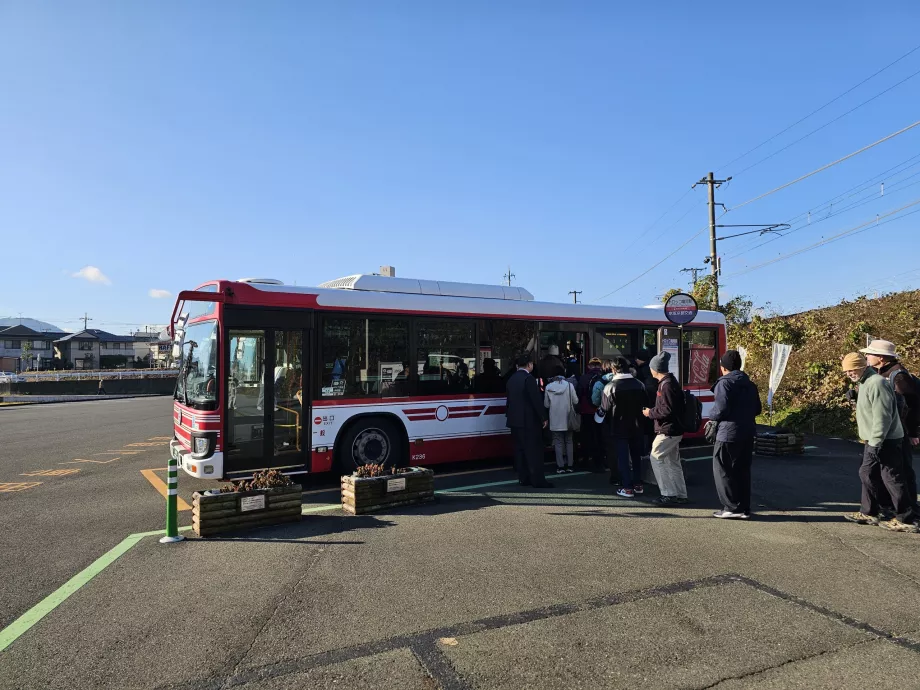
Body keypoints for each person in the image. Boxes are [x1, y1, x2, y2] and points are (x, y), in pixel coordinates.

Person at [841, 352, 917, 532]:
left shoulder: (876, 383)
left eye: (852, 369)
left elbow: (883, 417)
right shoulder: (865, 382)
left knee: (890, 477)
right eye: (846, 371)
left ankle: (906, 518)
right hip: (876, 438)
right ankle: (870, 511)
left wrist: (875, 443)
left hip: (885, 439)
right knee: (870, 474)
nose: (849, 373)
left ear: (862, 366)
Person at [859, 339, 919, 514]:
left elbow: (912, 405)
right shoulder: (879, 373)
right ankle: (889, 507)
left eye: (870, 353)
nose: (866, 356)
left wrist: (912, 431)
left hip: (899, 432)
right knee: (885, 471)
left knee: (901, 471)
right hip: (888, 430)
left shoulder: (899, 376)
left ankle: (910, 511)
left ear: (881, 357)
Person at [709, 350, 762, 519]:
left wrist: (711, 416)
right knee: (742, 470)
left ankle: (731, 507)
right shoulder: (750, 384)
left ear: (723, 367)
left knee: (722, 468)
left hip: (728, 433)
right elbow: (758, 409)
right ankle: (744, 507)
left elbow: (721, 409)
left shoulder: (724, 383)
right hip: (748, 431)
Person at [642, 351, 688, 504]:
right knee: (673, 461)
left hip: (667, 430)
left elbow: (667, 410)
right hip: (674, 429)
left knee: (655, 457)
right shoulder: (670, 382)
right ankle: (681, 494)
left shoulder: (666, 385)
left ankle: (668, 493)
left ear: (656, 369)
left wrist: (650, 413)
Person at [600, 356, 648, 497]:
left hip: (618, 425)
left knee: (622, 457)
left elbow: (604, 408)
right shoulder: (639, 384)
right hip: (637, 425)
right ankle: (638, 485)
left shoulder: (610, 387)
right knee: (636, 456)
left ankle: (627, 487)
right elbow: (646, 403)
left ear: (614, 370)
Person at [506, 354, 552, 488]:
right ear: (529, 365)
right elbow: (536, 400)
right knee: (534, 451)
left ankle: (523, 478)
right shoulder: (529, 379)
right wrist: (543, 417)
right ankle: (537, 480)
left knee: (520, 451)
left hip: (514, 421)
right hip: (529, 421)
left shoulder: (511, 379)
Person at [545, 374, 579, 473]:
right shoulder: (569, 385)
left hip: (555, 419)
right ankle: (570, 465)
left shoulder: (548, 387)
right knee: (569, 441)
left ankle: (560, 466)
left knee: (558, 442)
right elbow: (576, 401)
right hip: (568, 419)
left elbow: (546, 405)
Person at [576, 358, 606, 467]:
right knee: (600, 435)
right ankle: (600, 459)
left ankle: (587, 459)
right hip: (601, 411)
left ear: (589, 366)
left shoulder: (584, 378)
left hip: (586, 410)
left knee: (587, 436)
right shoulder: (603, 377)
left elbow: (578, 393)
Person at [634, 349, 658, 468]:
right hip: (653, 404)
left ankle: (645, 452)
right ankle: (650, 450)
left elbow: (645, 389)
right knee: (650, 430)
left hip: (646, 406)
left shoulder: (641, 371)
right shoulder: (651, 369)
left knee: (644, 430)